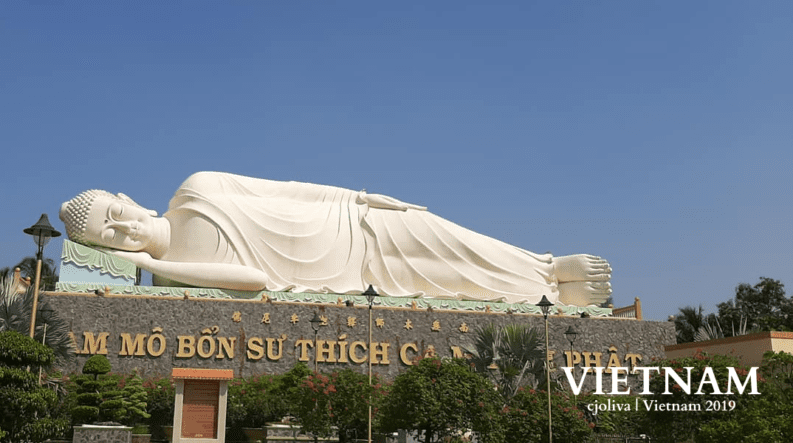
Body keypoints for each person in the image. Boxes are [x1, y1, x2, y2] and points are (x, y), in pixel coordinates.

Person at [59, 172, 611, 306]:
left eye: (115, 212)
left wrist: (357, 198)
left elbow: (290, 191)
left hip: (350, 225)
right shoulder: (173, 270)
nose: (124, 225)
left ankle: (544, 263)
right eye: (110, 232)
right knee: (449, 281)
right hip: (342, 275)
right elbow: (253, 282)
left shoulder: (195, 187)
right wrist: (166, 267)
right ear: (110, 247)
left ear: (125, 198)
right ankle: (552, 295)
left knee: (451, 241)